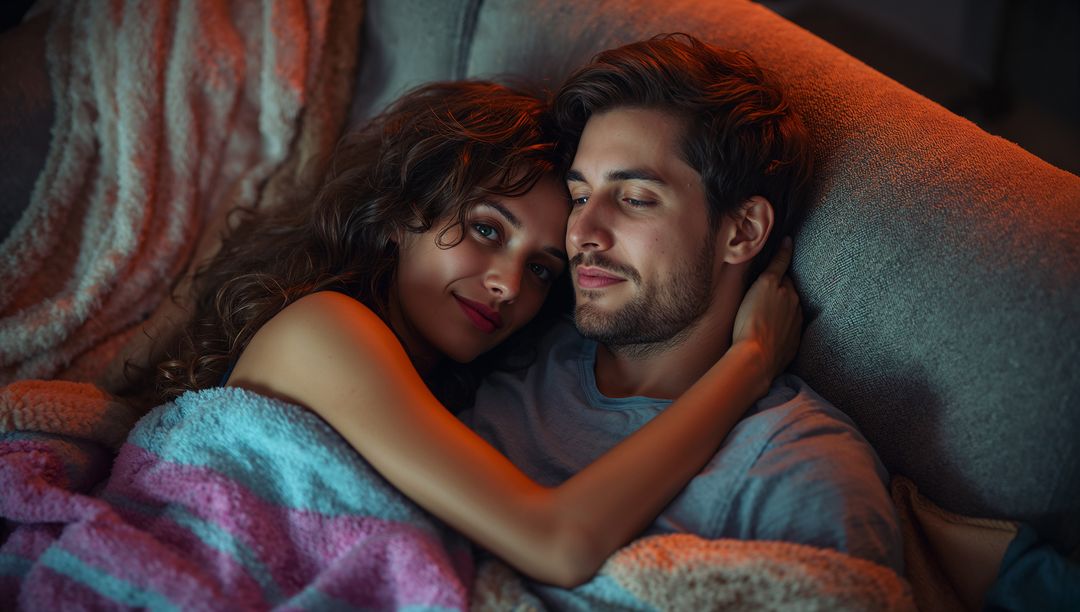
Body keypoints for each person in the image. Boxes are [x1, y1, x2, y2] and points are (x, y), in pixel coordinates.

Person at [151, 80, 804, 587]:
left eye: (543, 268)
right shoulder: (327, 329)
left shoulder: (463, 388)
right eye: (489, 231)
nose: (508, 286)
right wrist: (749, 360)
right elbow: (557, 543)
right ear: (399, 215)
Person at [459, 34, 904, 594]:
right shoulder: (507, 338)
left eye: (635, 199)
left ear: (741, 231)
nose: (582, 234)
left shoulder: (799, 473)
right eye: (579, 196)